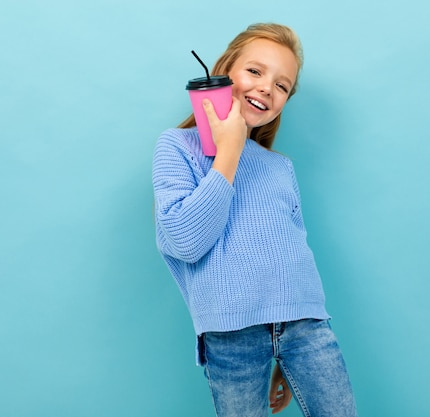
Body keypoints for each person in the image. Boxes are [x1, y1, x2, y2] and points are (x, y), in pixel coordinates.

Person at [152, 23, 357, 417]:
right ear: (224, 70)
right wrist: (228, 152)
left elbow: (291, 252)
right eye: (255, 71)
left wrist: (283, 357)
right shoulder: (177, 146)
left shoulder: (280, 168)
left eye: (282, 86)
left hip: (306, 328)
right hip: (231, 337)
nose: (267, 88)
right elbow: (185, 242)